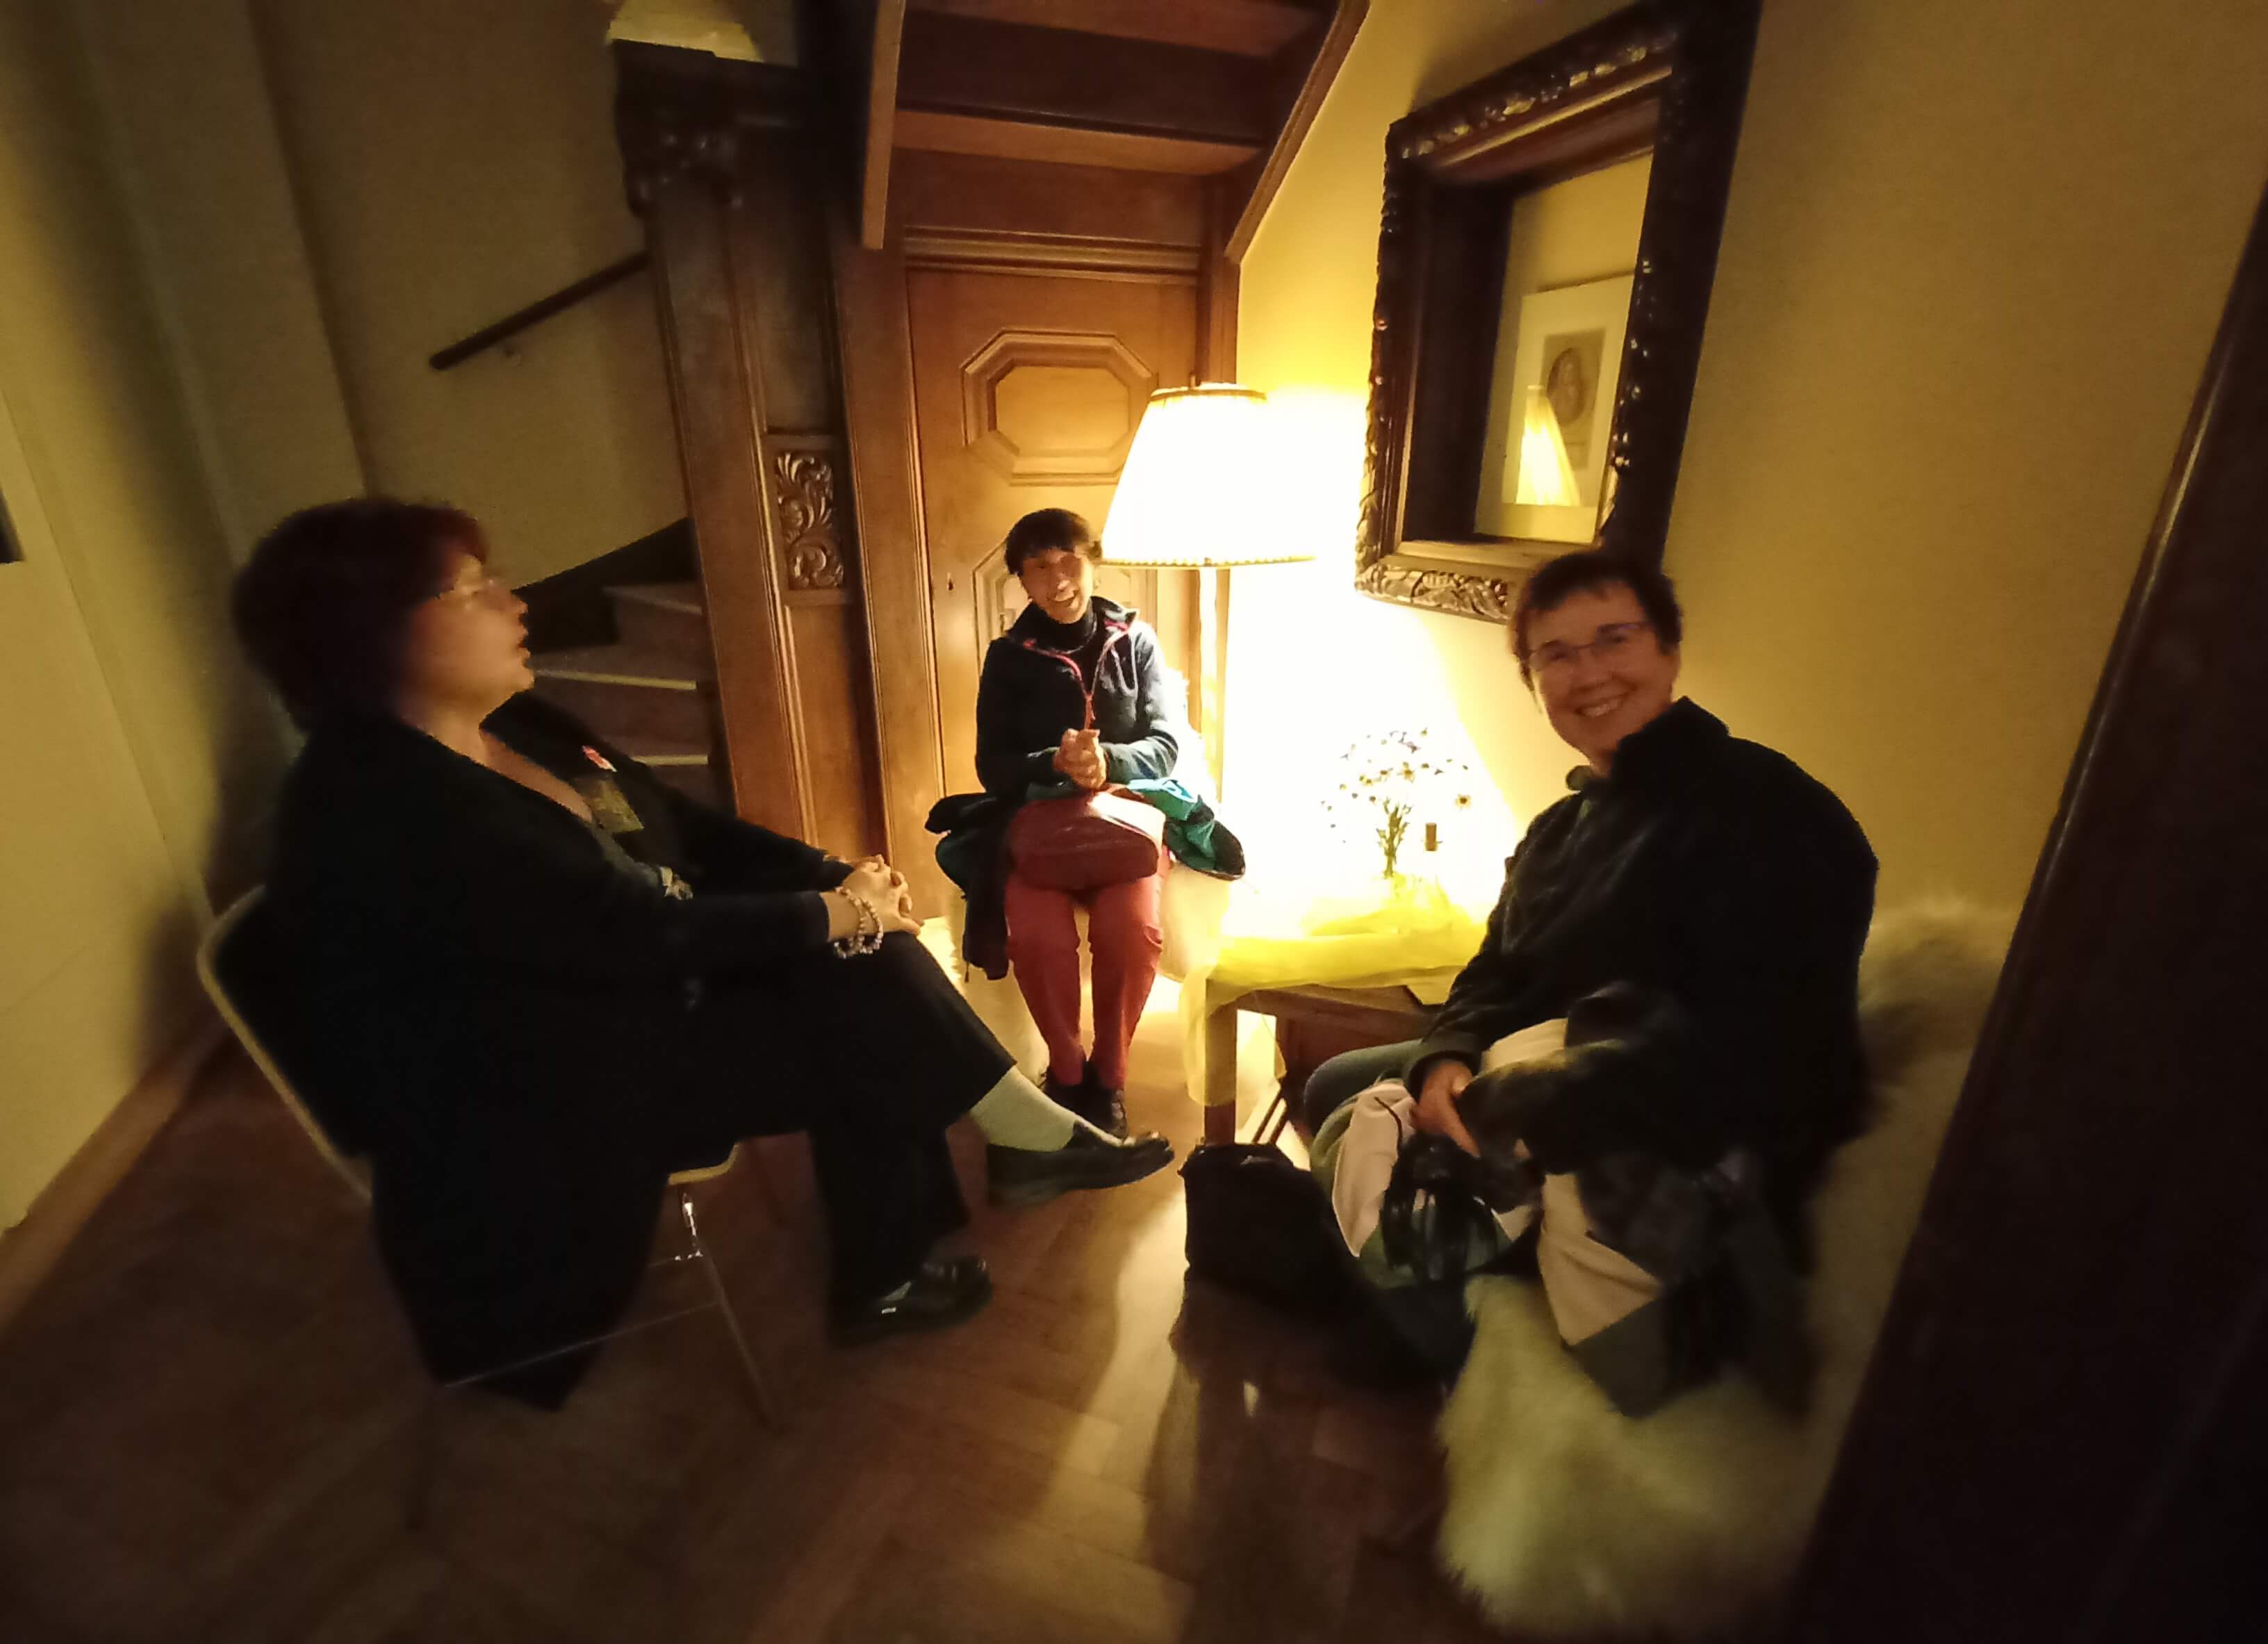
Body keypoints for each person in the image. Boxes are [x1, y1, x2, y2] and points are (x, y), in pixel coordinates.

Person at [229, 498, 1172, 1404]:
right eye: (474, 590)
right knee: (863, 1017)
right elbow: (628, 935)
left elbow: (681, 827)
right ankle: (965, 1193)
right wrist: (832, 915)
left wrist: (833, 878)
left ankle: (983, 1170)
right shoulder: (384, 807)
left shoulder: (512, 725)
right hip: (536, 1087)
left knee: (864, 964)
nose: (515, 603)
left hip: (626, 995)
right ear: (372, 636)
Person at [1304, 550, 1877, 1408]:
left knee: (1352, 1124)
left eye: (1615, 639)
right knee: (1337, 1083)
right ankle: (1425, 1307)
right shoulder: (1560, 828)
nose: (1590, 673)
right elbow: (1496, 969)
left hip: (1676, 1124)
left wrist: (1526, 1108)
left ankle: (1468, 1352)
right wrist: (1449, 1057)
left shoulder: (1770, 810)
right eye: (1558, 654)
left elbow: (1769, 1047)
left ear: (1670, 651)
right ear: (1534, 682)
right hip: (1548, 1079)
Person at [964, 509, 1187, 1137]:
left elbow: (1165, 746)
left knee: (1132, 932)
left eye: (1070, 562)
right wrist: (1054, 763)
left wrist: (1108, 761)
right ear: (1021, 579)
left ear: (1093, 562)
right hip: (1041, 825)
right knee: (1037, 937)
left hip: (1125, 821)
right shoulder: (1008, 657)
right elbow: (992, 765)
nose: (1058, 580)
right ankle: (1065, 1074)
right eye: (1039, 568)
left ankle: (1109, 1076)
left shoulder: (1135, 640)